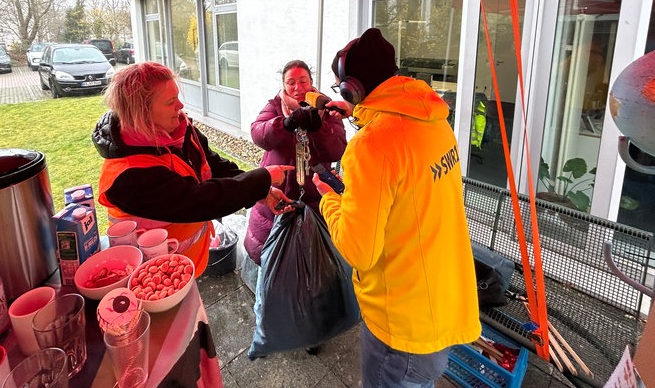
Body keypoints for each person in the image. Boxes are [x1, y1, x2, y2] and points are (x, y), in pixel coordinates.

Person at [312, 28, 481, 387]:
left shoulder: (371, 146)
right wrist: (360, 113)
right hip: (442, 301)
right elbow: (401, 153)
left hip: (401, 326)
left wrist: (329, 198)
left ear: (351, 89)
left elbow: (360, 251)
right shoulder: (435, 121)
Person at [92, 61, 293, 278]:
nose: (180, 106)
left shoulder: (178, 130)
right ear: (142, 113)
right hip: (157, 276)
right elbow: (198, 200)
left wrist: (261, 191)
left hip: (187, 262)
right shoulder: (128, 176)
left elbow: (212, 164)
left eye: (177, 97)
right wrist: (261, 178)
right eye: (170, 102)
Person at [243, 59, 347, 266]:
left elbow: (336, 150)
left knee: (314, 261)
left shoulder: (327, 109)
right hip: (278, 191)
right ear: (283, 85)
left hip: (315, 195)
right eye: (291, 82)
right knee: (273, 259)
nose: (298, 88)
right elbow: (258, 134)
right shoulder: (274, 106)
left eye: (303, 81)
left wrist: (319, 127)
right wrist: (285, 124)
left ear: (311, 83)